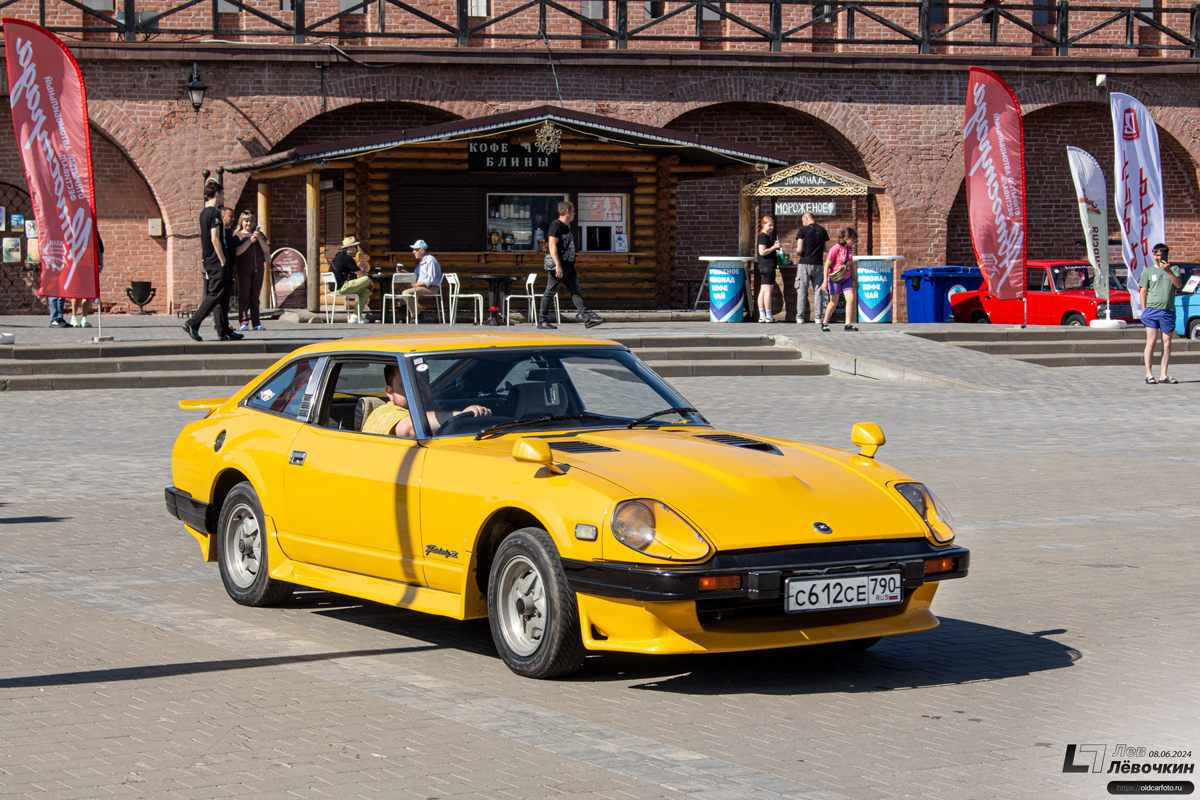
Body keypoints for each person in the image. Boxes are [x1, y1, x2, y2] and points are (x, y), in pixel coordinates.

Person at [183, 180, 242, 342]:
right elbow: (215, 239)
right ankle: (192, 323)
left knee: (222, 295)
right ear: (216, 193)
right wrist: (223, 260)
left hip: (209, 259)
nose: (223, 197)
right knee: (215, 293)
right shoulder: (214, 214)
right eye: (222, 194)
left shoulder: (204, 212)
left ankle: (223, 330)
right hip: (216, 259)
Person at [363, 363, 492, 437]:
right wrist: (462, 416)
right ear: (389, 392)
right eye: (408, 384)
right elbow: (411, 427)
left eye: (423, 381)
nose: (418, 388)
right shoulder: (383, 413)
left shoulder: (434, 408)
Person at [539, 200, 603, 330]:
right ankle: (542, 321)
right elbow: (552, 245)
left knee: (576, 292)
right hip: (560, 265)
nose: (575, 213)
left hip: (569, 265)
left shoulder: (565, 226)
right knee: (549, 292)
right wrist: (557, 265)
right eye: (573, 211)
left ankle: (587, 319)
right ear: (567, 211)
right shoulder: (556, 225)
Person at [1139, 243, 1183, 384]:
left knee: (1167, 343)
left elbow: (1178, 285)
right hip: (1152, 310)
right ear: (1153, 255)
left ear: (1166, 255)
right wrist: (1144, 309)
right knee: (1151, 341)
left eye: (1161, 255)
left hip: (1167, 310)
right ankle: (1149, 374)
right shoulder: (1148, 271)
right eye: (1156, 255)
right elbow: (1143, 291)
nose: (1158, 257)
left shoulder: (1174, 269)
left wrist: (1168, 271)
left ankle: (1164, 374)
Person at [233, 211, 269, 331]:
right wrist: (249, 241)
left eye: (251, 221)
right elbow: (237, 252)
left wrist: (259, 239)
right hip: (243, 269)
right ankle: (243, 322)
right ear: (241, 222)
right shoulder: (237, 236)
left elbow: (267, 249)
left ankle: (256, 322)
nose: (248, 223)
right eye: (246, 221)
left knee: (255, 297)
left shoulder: (260, 234)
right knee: (244, 296)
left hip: (258, 268)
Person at [821, 227, 859, 332]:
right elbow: (827, 265)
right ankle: (824, 323)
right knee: (833, 302)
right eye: (853, 239)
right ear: (846, 238)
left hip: (846, 278)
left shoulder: (849, 249)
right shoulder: (835, 249)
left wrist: (855, 280)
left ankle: (848, 324)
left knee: (850, 299)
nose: (854, 242)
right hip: (835, 278)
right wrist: (825, 282)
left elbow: (850, 266)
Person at [794, 212, 830, 324]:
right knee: (818, 291)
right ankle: (818, 317)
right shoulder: (822, 230)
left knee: (802, 290)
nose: (803, 223)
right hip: (818, 264)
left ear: (806, 218)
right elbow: (827, 248)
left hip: (804, 263)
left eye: (802, 221)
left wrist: (799, 252)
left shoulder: (803, 230)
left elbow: (799, 250)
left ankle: (800, 317)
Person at [330, 237, 373, 323]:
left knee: (365, 291)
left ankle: (356, 316)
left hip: (335, 288)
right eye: (355, 247)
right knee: (366, 279)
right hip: (341, 288)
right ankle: (356, 316)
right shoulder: (346, 258)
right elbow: (359, 273)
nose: (357, 249)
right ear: (349, 248)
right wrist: (370, 281)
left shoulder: (339, 256)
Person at [402, 239, 443, 322]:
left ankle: (417, 315)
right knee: (401, 285)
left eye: (416, 250)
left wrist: (415, 285)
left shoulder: (430, 260)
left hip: (431, 288)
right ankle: (404, 308)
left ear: (422, 250)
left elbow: (430, 280)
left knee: (406, 293)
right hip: (423, 286)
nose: (413, 252)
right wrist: (404, 272)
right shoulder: (421, 262)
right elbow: (415, 275)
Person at [755, 215, 782, 323]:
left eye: (773, 225)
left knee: (762, 291)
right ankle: (768, 315)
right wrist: (774, 247)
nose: (772, 227)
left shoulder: (764, 237)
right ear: (763, 225)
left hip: (763, 266)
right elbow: (762, 252)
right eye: (769, 225)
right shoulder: (763, 237)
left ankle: (762, 315)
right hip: (767, 266)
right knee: (767, 291)